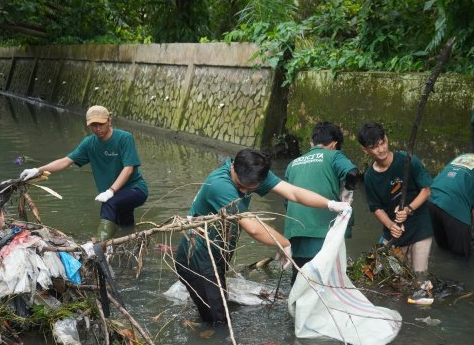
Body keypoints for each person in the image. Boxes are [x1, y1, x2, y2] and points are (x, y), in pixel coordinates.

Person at [174, 148, 351, 325]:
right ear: (234, 168)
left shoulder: (256, 170)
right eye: (241, 186)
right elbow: (253, 228)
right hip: (197, 258)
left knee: (217, 311)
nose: (243, 191)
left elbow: (293, 193)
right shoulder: (220, 185)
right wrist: (284, 243)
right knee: (219, 323)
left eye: (249, 189)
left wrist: (330, 204)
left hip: (217, 254)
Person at [19, 105, 148, 241]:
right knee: (125, 227)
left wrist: (111, 191)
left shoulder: (124, 138)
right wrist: (37, 170)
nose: (98, 129)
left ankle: (98, 246)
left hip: (135, 190)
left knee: (110, 203)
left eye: (101, 124)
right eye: (93, 125)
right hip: (114, 195)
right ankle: (130, 246)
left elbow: (129, 168)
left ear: (109, 121)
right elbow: (65, 161)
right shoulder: (89, 144)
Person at [284, 122, 360, 285]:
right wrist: (347, 189)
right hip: (322, 232)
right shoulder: (334, 155)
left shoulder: (292, 164)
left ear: (312, 143)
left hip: (295, 231)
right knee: (325, 282)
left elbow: (286, 200)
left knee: (299, 281)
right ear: (334, 144)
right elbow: (353, 173)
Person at [357, 122, 433, 281]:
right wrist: (391, 226)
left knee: (419, 275)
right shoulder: (369, 177)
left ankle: (422, 301)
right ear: (365, 149)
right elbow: (376, 208)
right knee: (396, 279)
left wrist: (408, 210)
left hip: (419, 226)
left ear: (386, 138)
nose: (381, 149)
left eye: (382, 142)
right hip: (395, 231)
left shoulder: (408, 160)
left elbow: (426, 190)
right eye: (374, 147)